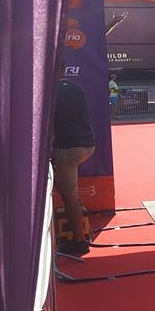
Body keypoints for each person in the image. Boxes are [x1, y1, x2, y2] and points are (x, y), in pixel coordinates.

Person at [52, 73, 96, 256]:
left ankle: (79, 241)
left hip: (67, 149)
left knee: (69, 196)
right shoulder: (76, 87)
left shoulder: (50, 91)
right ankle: (81, 229)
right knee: (68, 191)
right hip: (88, 145)